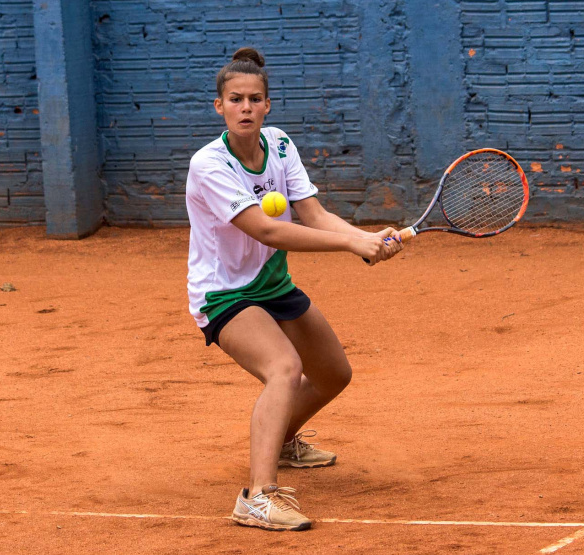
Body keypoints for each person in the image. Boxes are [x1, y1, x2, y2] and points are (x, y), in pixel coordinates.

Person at [185, 47, 403, 531]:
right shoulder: (210, 164)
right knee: (284, 368)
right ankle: (258, 497)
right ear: (218, 106)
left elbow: (315, 216)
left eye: (254, 99)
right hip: (223, 293)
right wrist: (351, 243)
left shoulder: (280, 145)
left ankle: (282, 441)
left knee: (333, 374)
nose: (245, 107)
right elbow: (268, 231)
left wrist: (365, 237)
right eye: (235, 99)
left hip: (272, 284)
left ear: (268, 105)